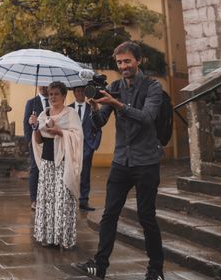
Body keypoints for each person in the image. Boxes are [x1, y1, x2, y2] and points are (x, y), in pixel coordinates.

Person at [73, 41, 165, 280]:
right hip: (121, 161)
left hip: (146, 162)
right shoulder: (114, 86)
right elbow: (100, 123)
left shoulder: (153, 87)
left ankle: (156, 271)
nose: (123, 66)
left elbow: (147, 117)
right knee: (109, 214)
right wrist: (94, 108)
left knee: (147, 217)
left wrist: (118, 105)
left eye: (127, 61)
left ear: (139, 60)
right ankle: (99, 266)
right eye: (120, 62)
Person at [30, 81, 83, 250]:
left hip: (63, 162)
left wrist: (60, 132)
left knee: (63, 200)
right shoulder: (43, 115)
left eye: (56, 94)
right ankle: (49, 238)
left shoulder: (71, 114)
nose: (52, 97)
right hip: (47, 163)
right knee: (47, 201)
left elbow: (78, 137)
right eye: (50, 94)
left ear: (64, 95)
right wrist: (35, 127)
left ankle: (64, 237)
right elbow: (38, 141)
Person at [70, 85, 102, 211]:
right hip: (72, 146)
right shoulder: (69, 109)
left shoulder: (91, 108)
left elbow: (98, 128)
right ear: (74, 93)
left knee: (85, 174)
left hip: (87, 146)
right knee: (71, 173)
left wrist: (94, 145)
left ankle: (84, 201)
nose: (80, 93)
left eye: (83, 91)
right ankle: (70, 199)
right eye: (78, 91)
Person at [23, 85, 49, 210]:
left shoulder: (53, 102)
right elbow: (25, 122)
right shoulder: (31, 103)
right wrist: (29, 140)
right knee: (35, 169)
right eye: (42, 85)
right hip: (35, 142)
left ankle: (46, 198)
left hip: (49, 141)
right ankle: (34, 199)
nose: (44, 87)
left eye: (47, 85)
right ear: (39, 86)